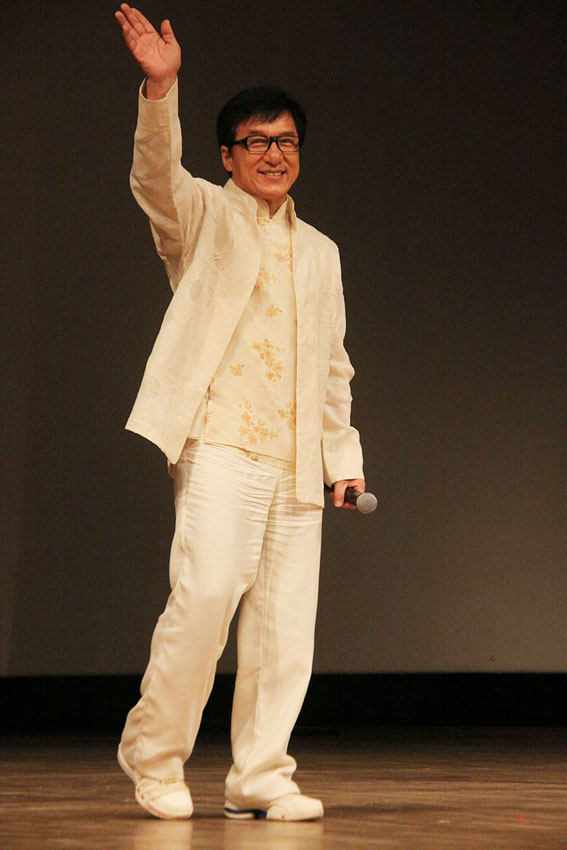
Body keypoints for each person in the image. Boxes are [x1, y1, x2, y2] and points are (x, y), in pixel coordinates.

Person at [114, 3, 365, 822]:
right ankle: (153, 757)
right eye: (256, 142)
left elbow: (332, 365)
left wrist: (343, 457)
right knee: (205, 594)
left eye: (285, 141)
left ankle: (261, 773)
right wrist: (161, 88)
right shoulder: (202, 216)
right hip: (220, 442)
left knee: (286, 627)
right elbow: (155, 176)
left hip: (297, 459)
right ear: (228, 155)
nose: (273, 154)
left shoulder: (322, 252)